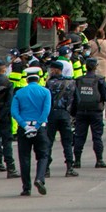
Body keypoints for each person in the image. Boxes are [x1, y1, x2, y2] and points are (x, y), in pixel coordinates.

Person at [12, 67, 51, 196]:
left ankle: (26, 187)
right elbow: (46, 111)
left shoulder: (19, 93)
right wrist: (38, 125)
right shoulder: (45, 92)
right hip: (40, 128)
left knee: (24, 158)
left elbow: (14, 112)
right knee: (43, 155)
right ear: (39, 79)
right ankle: (40, 178)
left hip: (24, 129)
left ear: (26, 80)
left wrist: (24, 125)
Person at [42, 60, 78, 178]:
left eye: (51, 69)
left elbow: (45, 100)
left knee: (48, 142)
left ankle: (46, 168)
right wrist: (71, 114)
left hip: (51, 115)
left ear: (55, 70)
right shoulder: (71, 82)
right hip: (65, 115)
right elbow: (77, 100)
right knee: (67, 142)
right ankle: (69, 168)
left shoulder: (50, 83)